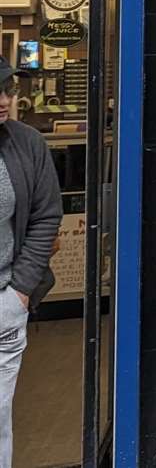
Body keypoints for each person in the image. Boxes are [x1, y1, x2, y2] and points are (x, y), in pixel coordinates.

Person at [0, 63, 61, 468]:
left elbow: (45, 216)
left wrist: (19, 292)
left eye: (7, 90)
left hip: (3, 305)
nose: (4, 101)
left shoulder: (26, 143)